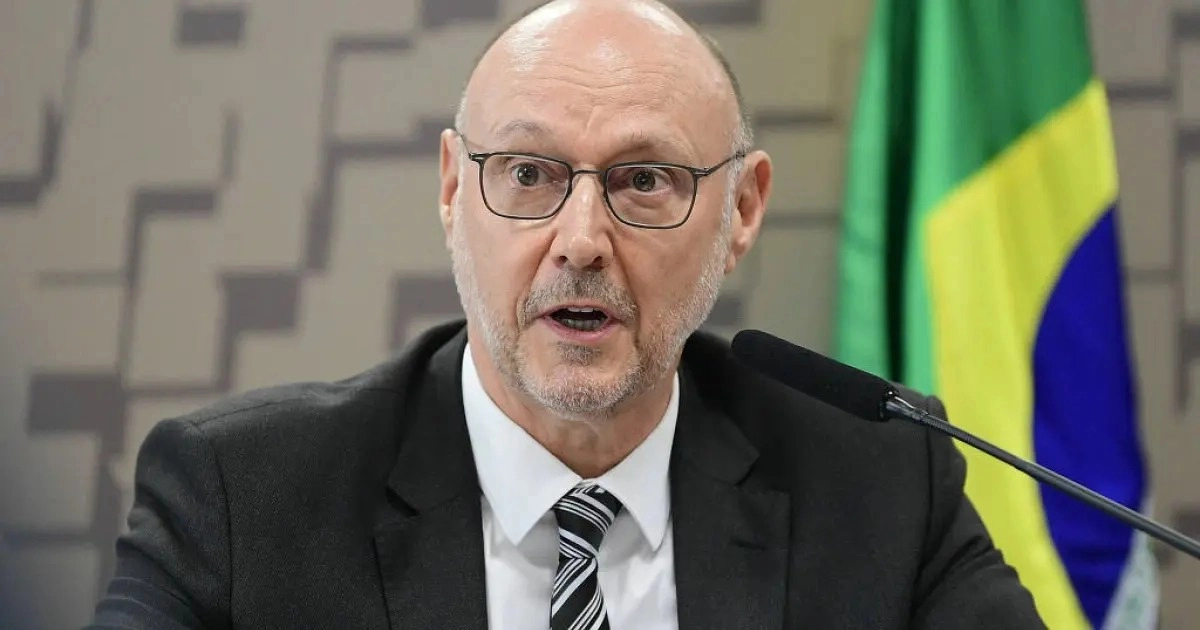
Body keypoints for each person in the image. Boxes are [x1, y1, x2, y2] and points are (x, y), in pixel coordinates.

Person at [87, 0, 1045, 628]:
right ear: (453, 191)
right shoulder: (241, 499)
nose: (581, 240)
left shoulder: (880, 480)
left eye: (645, 180)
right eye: (529, 174)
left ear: (743, 210)